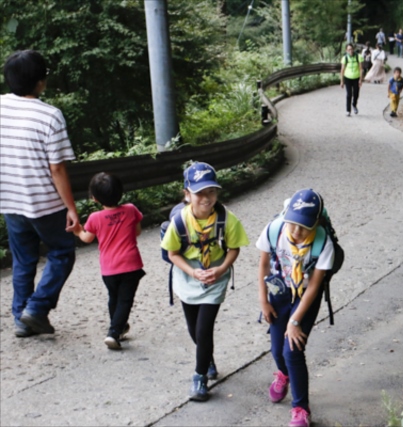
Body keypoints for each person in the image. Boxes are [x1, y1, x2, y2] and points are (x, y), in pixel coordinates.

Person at [0, 50, 78, 337]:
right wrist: (71, 208)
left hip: (10, 200)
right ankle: (36, 308)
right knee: (62, 252)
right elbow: (57, 169)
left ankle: (21, 320)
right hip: (44, 203)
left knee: (23, 261)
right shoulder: (50, 116)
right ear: (40, 81)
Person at [161, 162, 249, 401]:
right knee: (194, 329)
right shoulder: (180, 221)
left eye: (211, 191)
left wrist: (220, 269)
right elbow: (172, 254)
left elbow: (234, 248)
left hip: (215, 278)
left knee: (203, 329)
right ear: (187, 194)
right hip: (188, 276)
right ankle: (207, 357)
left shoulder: (227, 219)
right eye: (200, 193)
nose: (206, 198)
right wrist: (192, 272)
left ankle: (199, 378)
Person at [256, 189, 335, 427]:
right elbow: (263, 267)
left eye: (304, 227)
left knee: (293, 350)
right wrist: (264, 302)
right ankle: (284, 374)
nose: (297, 231)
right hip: (280, 292)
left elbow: (314, 285)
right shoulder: (274, 229)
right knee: (277, 350)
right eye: (292, 224)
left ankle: (301, 408)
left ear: (316, 223)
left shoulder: (324, 243)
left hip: (305, 297)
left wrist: (295, 321)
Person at [72, 173, 145, 350]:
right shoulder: (130, 209)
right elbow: (137, 232)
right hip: (130, 264)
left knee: (114, 297)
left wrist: (77, 230)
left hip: (109, 268)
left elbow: (87, 238)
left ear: (94, 198)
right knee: (125, 300)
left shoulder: (94, 218)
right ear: (121, 192)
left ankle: (117, 327)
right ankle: (114, 332)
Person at [340, 43, 363, 117]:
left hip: (356, 77)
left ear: (353, 49)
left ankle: (354, 105)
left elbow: (361, 69)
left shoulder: (358, 57)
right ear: (346, 50)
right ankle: (348, 110)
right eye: (349, 49)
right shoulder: (345, 58)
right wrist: (342, 81)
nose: (351, 51)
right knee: (349, 94)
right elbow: (342, 70)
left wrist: (360, 79)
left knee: (356, 93)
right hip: (348, 78)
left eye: (351, 49)